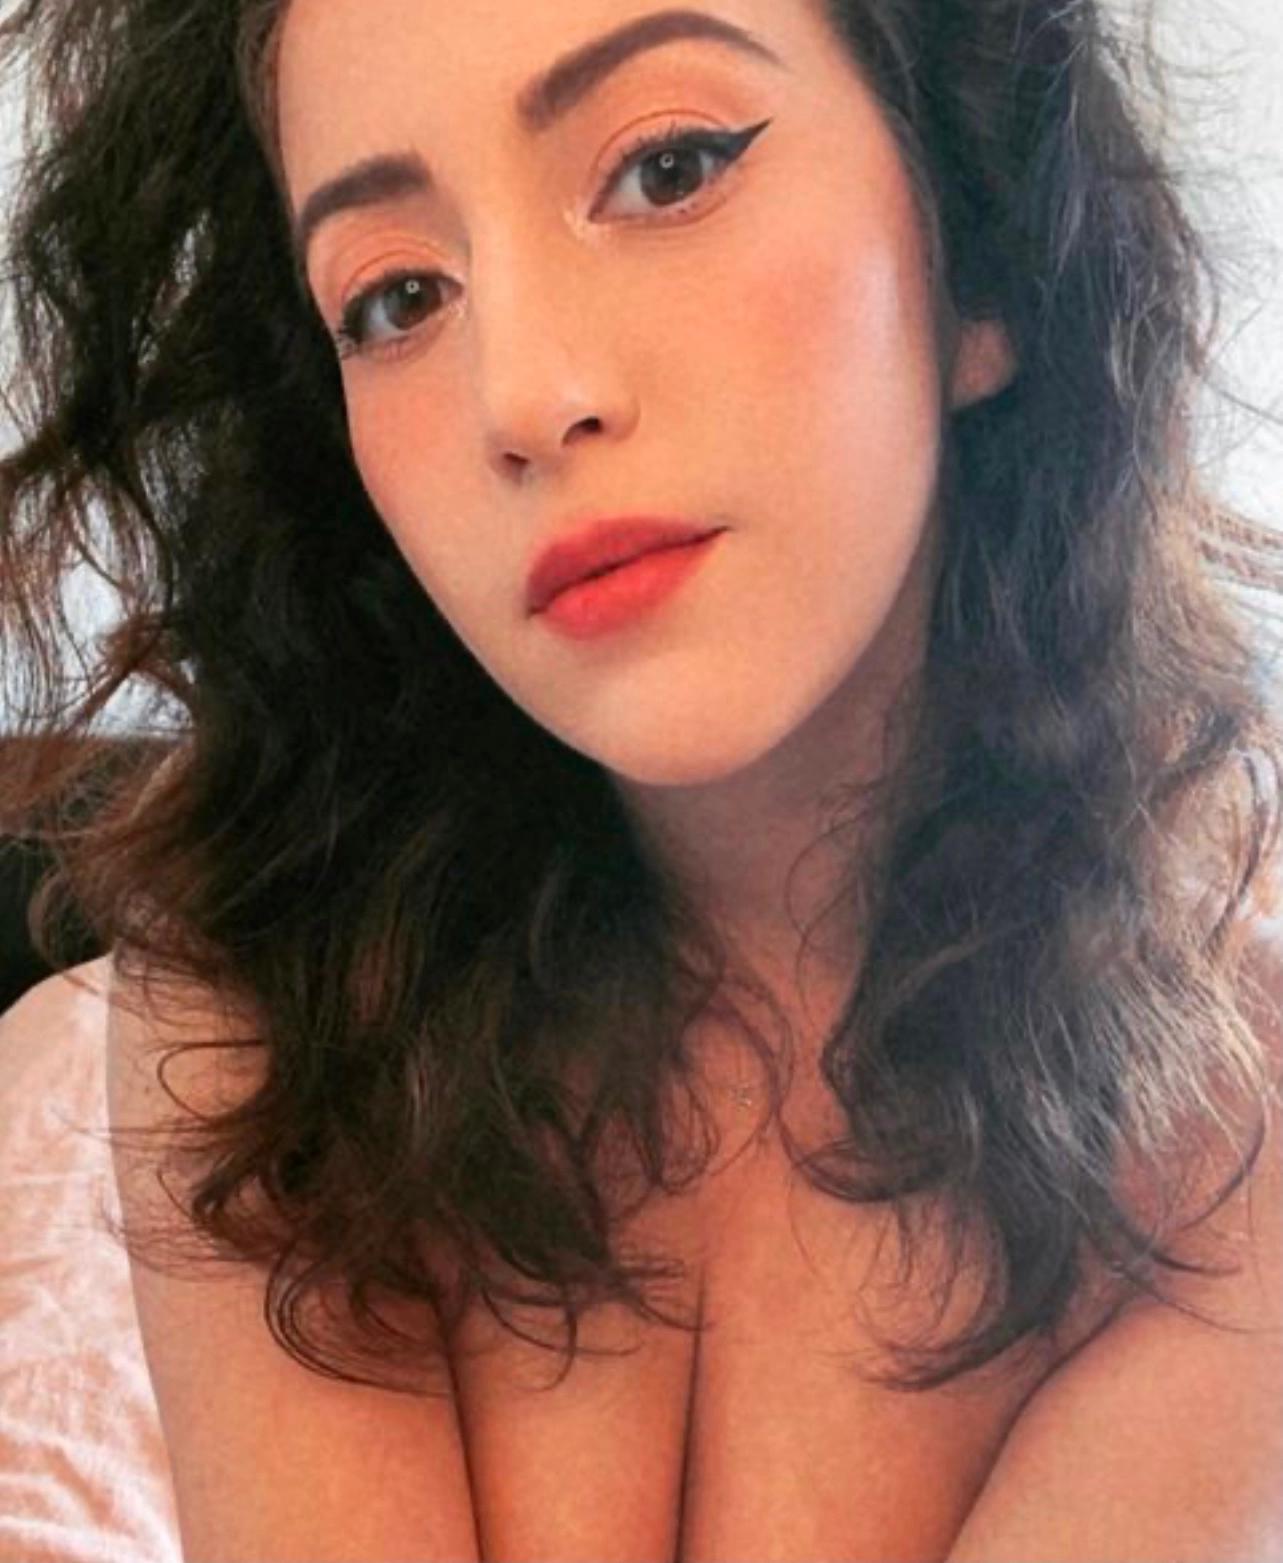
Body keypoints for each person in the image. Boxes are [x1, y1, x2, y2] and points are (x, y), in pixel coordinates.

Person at [1, 0, 1282, 1556]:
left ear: (986, 250)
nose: (524, 397)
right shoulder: (267, 986)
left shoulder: (1233, 1134)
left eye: (669, 168)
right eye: (397, 297)